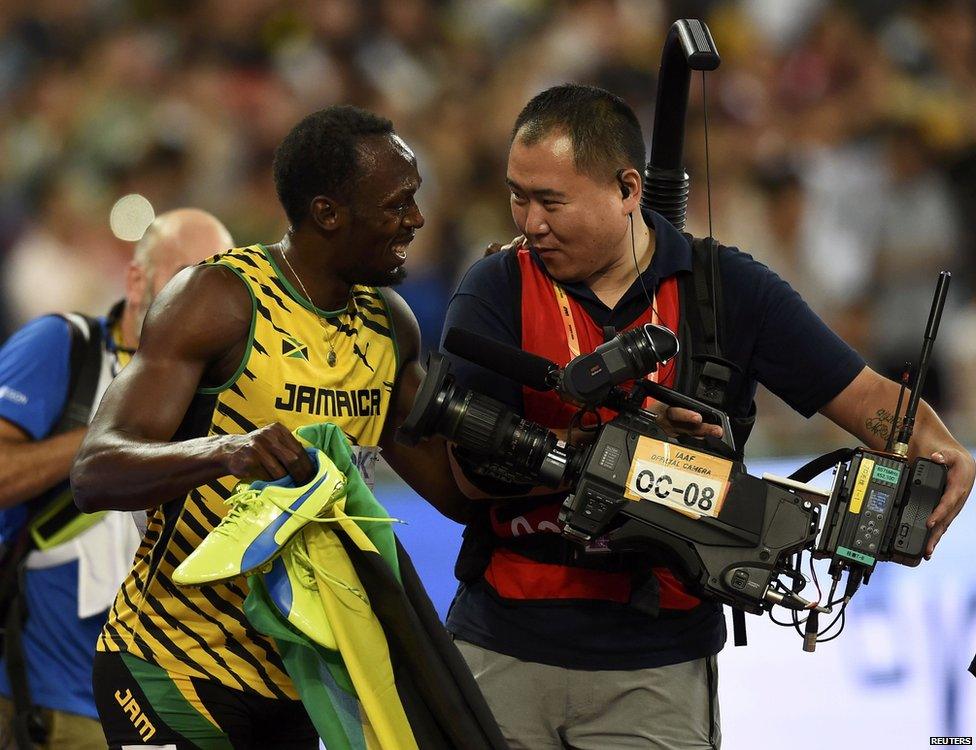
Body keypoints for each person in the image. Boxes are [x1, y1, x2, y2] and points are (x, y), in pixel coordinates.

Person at [440, 84, 975, 749]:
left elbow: (865, 399)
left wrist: (939, 446)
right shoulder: (493, 287)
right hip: (504, 638)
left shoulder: (726, 290)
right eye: (518, 196)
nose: (529, 223)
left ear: (628, 189)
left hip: (659, 658)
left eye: (551, 201)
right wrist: (619, 451)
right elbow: (468, 475)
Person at [70, 106, 469, 749]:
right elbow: (95, 471)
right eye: (399, 203)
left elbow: (456, 494)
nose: (416, 220)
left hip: (298, 683)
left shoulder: (391, 328)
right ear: (328, 213)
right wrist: (226, 450)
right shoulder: (218, 298)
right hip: (171, 661)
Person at [0, 208, 233, 750]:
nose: (201, 300)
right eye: (184, 275)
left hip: (163, 698)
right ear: (136, 279)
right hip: (47, 698)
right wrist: (115, 439)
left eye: (218, 282)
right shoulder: (64, 346)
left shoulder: (223, 396)